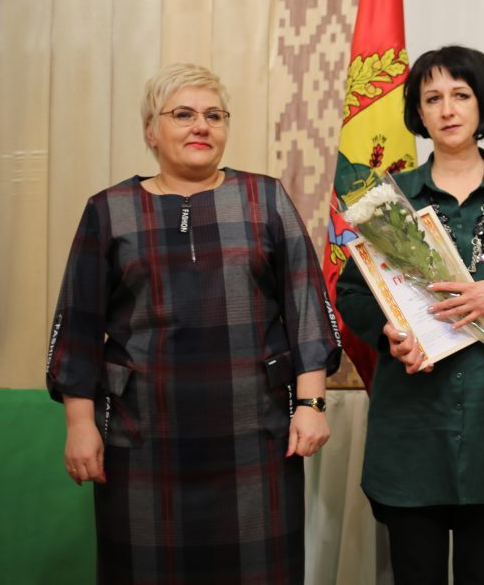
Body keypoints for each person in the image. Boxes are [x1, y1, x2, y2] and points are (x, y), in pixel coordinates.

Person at [47, 63, 342, 584]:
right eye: (183, 114)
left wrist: (312, 405)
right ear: (151, 130)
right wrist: (79, 424)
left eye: (214, 115)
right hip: (142, 440)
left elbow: (306, 307)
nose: (201, 126)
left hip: (255, 436)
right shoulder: (109, 210)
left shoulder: (266, 199)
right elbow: (78, 328)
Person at [336, 45, 484, 585]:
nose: (447, 109)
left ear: (482, 104)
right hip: (411, 428)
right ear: (418, 113)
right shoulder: (388, 198)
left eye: (460, 95)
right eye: (432, 98)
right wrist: (387, 333)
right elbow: (351, 293)